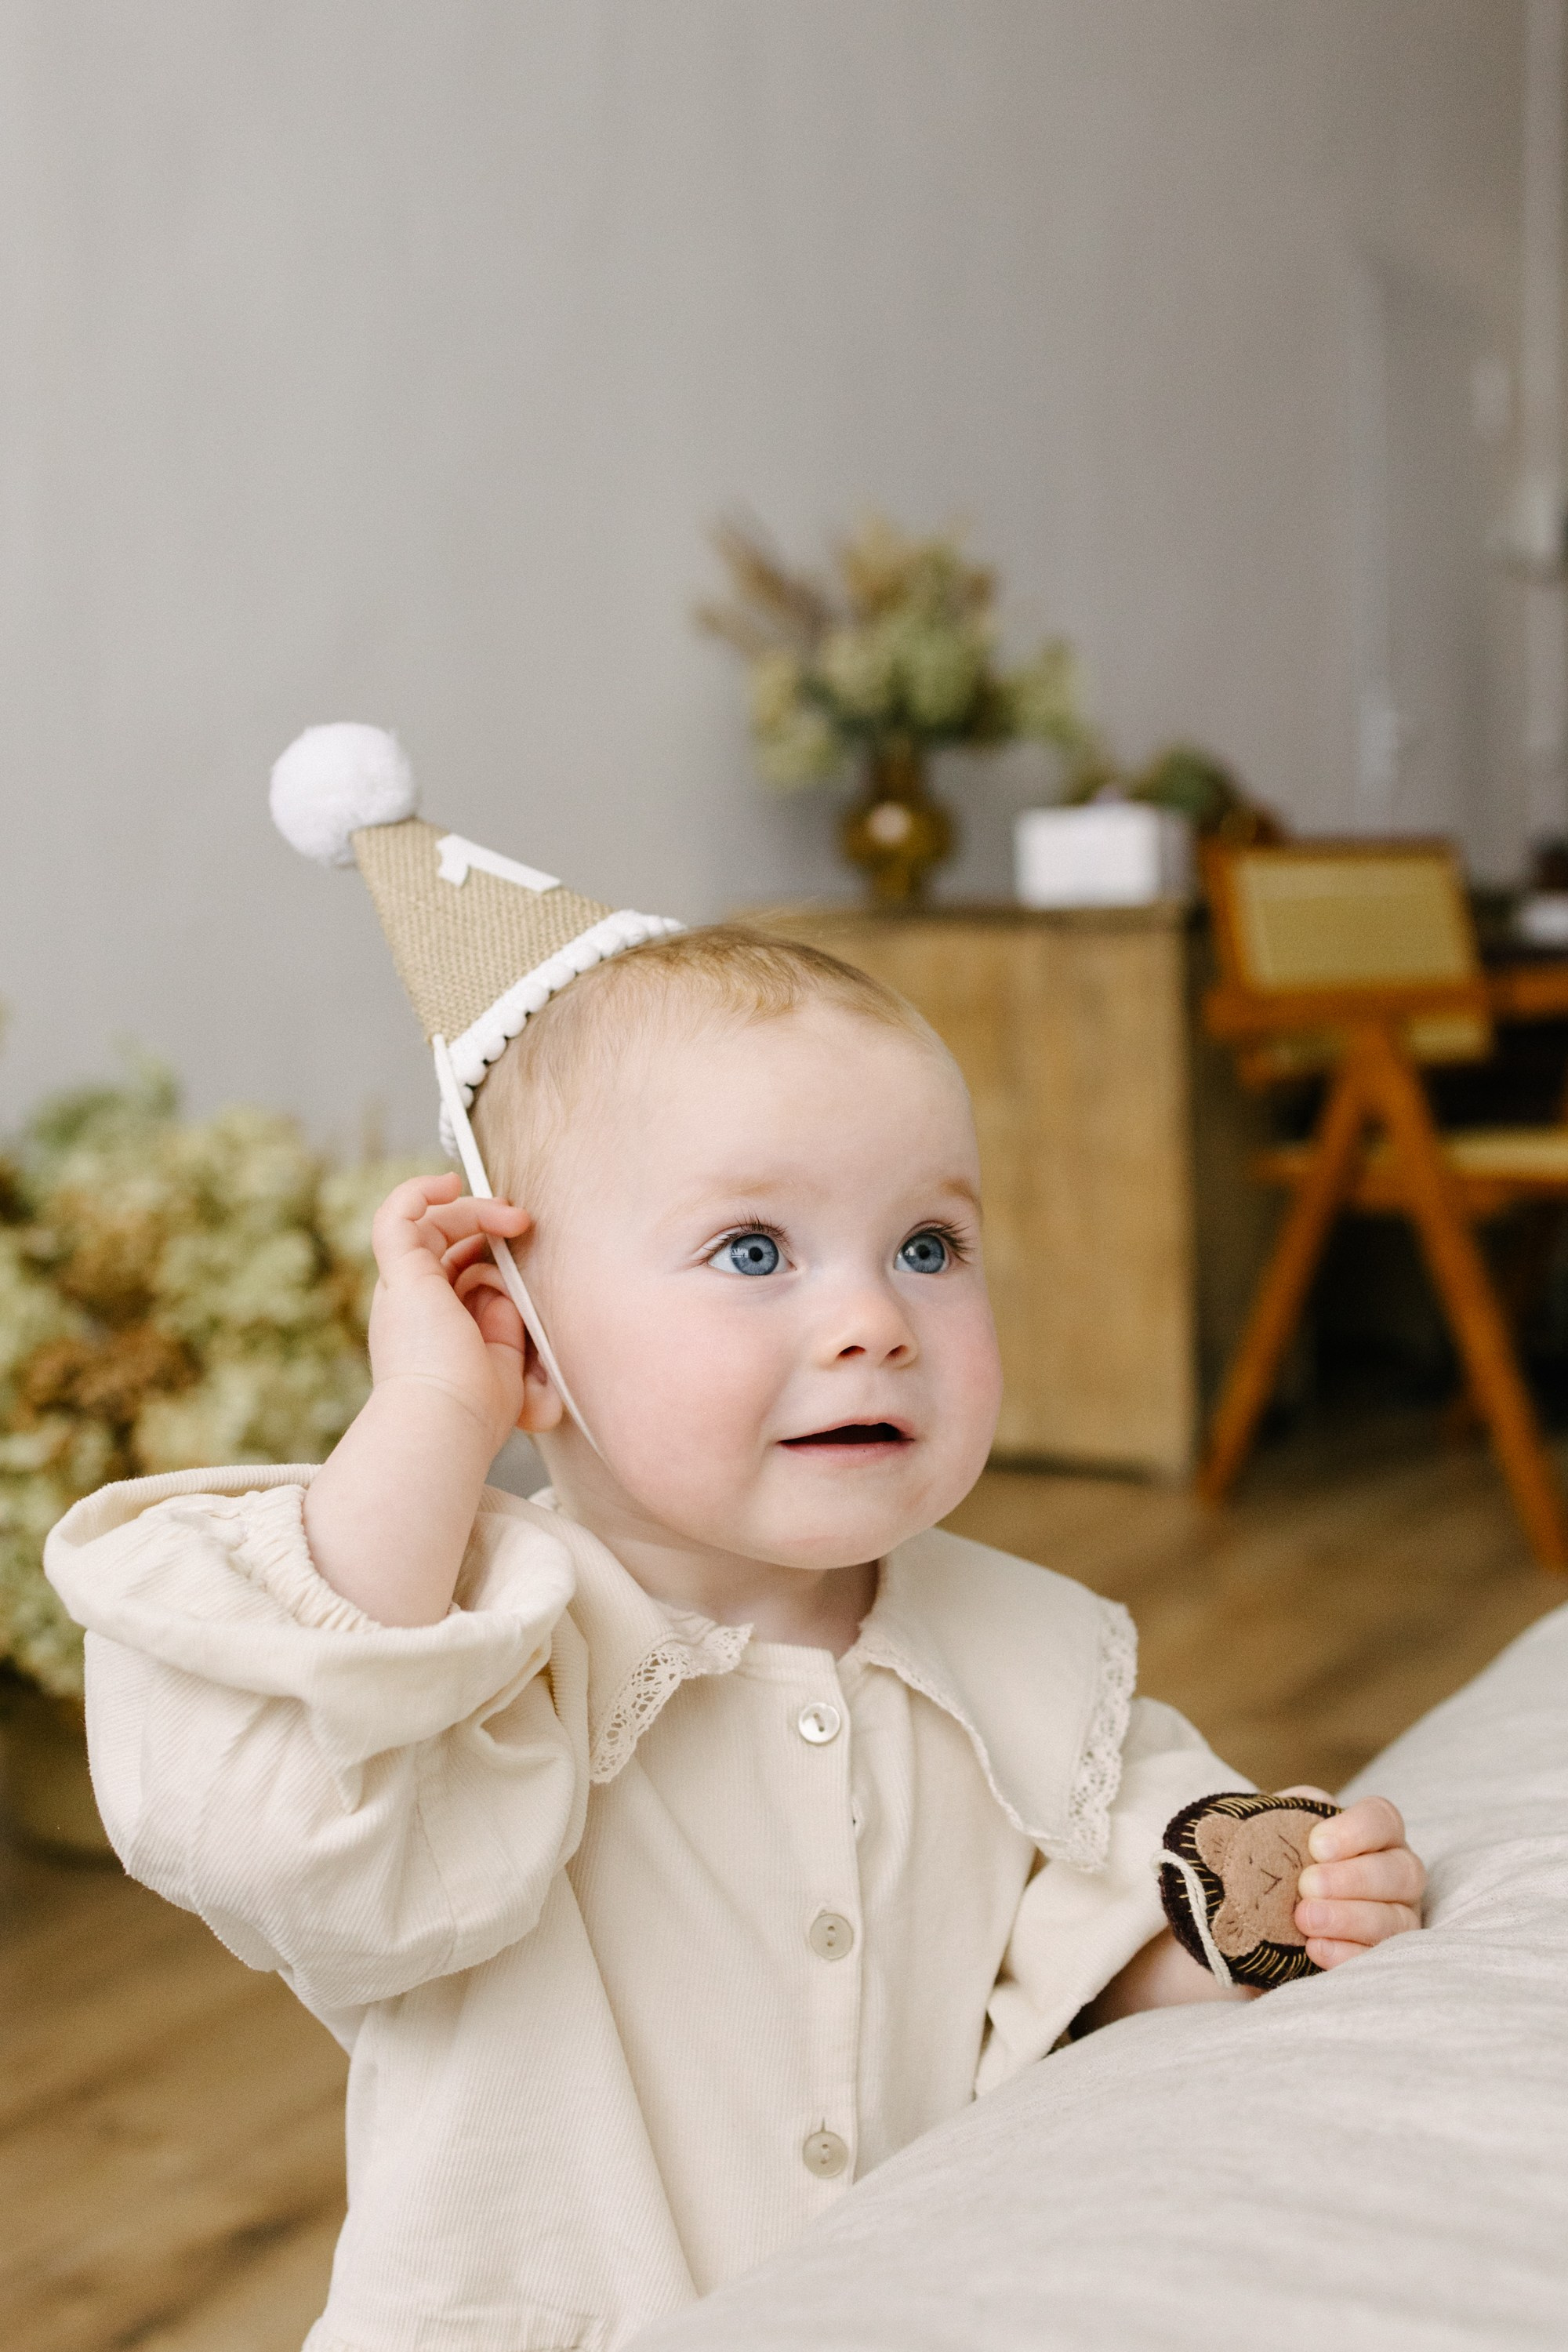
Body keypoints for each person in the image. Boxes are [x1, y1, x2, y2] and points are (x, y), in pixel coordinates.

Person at [47, 922, 1425, 2352]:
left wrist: (1265, 1909)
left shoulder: (1029, 1651)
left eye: (929, 1246)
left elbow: (1081, 1939)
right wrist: (435, 1410)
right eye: (754, 1250)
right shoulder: (473, 1659)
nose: (874, 1320)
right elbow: (292, 1810)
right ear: (527, 1338)